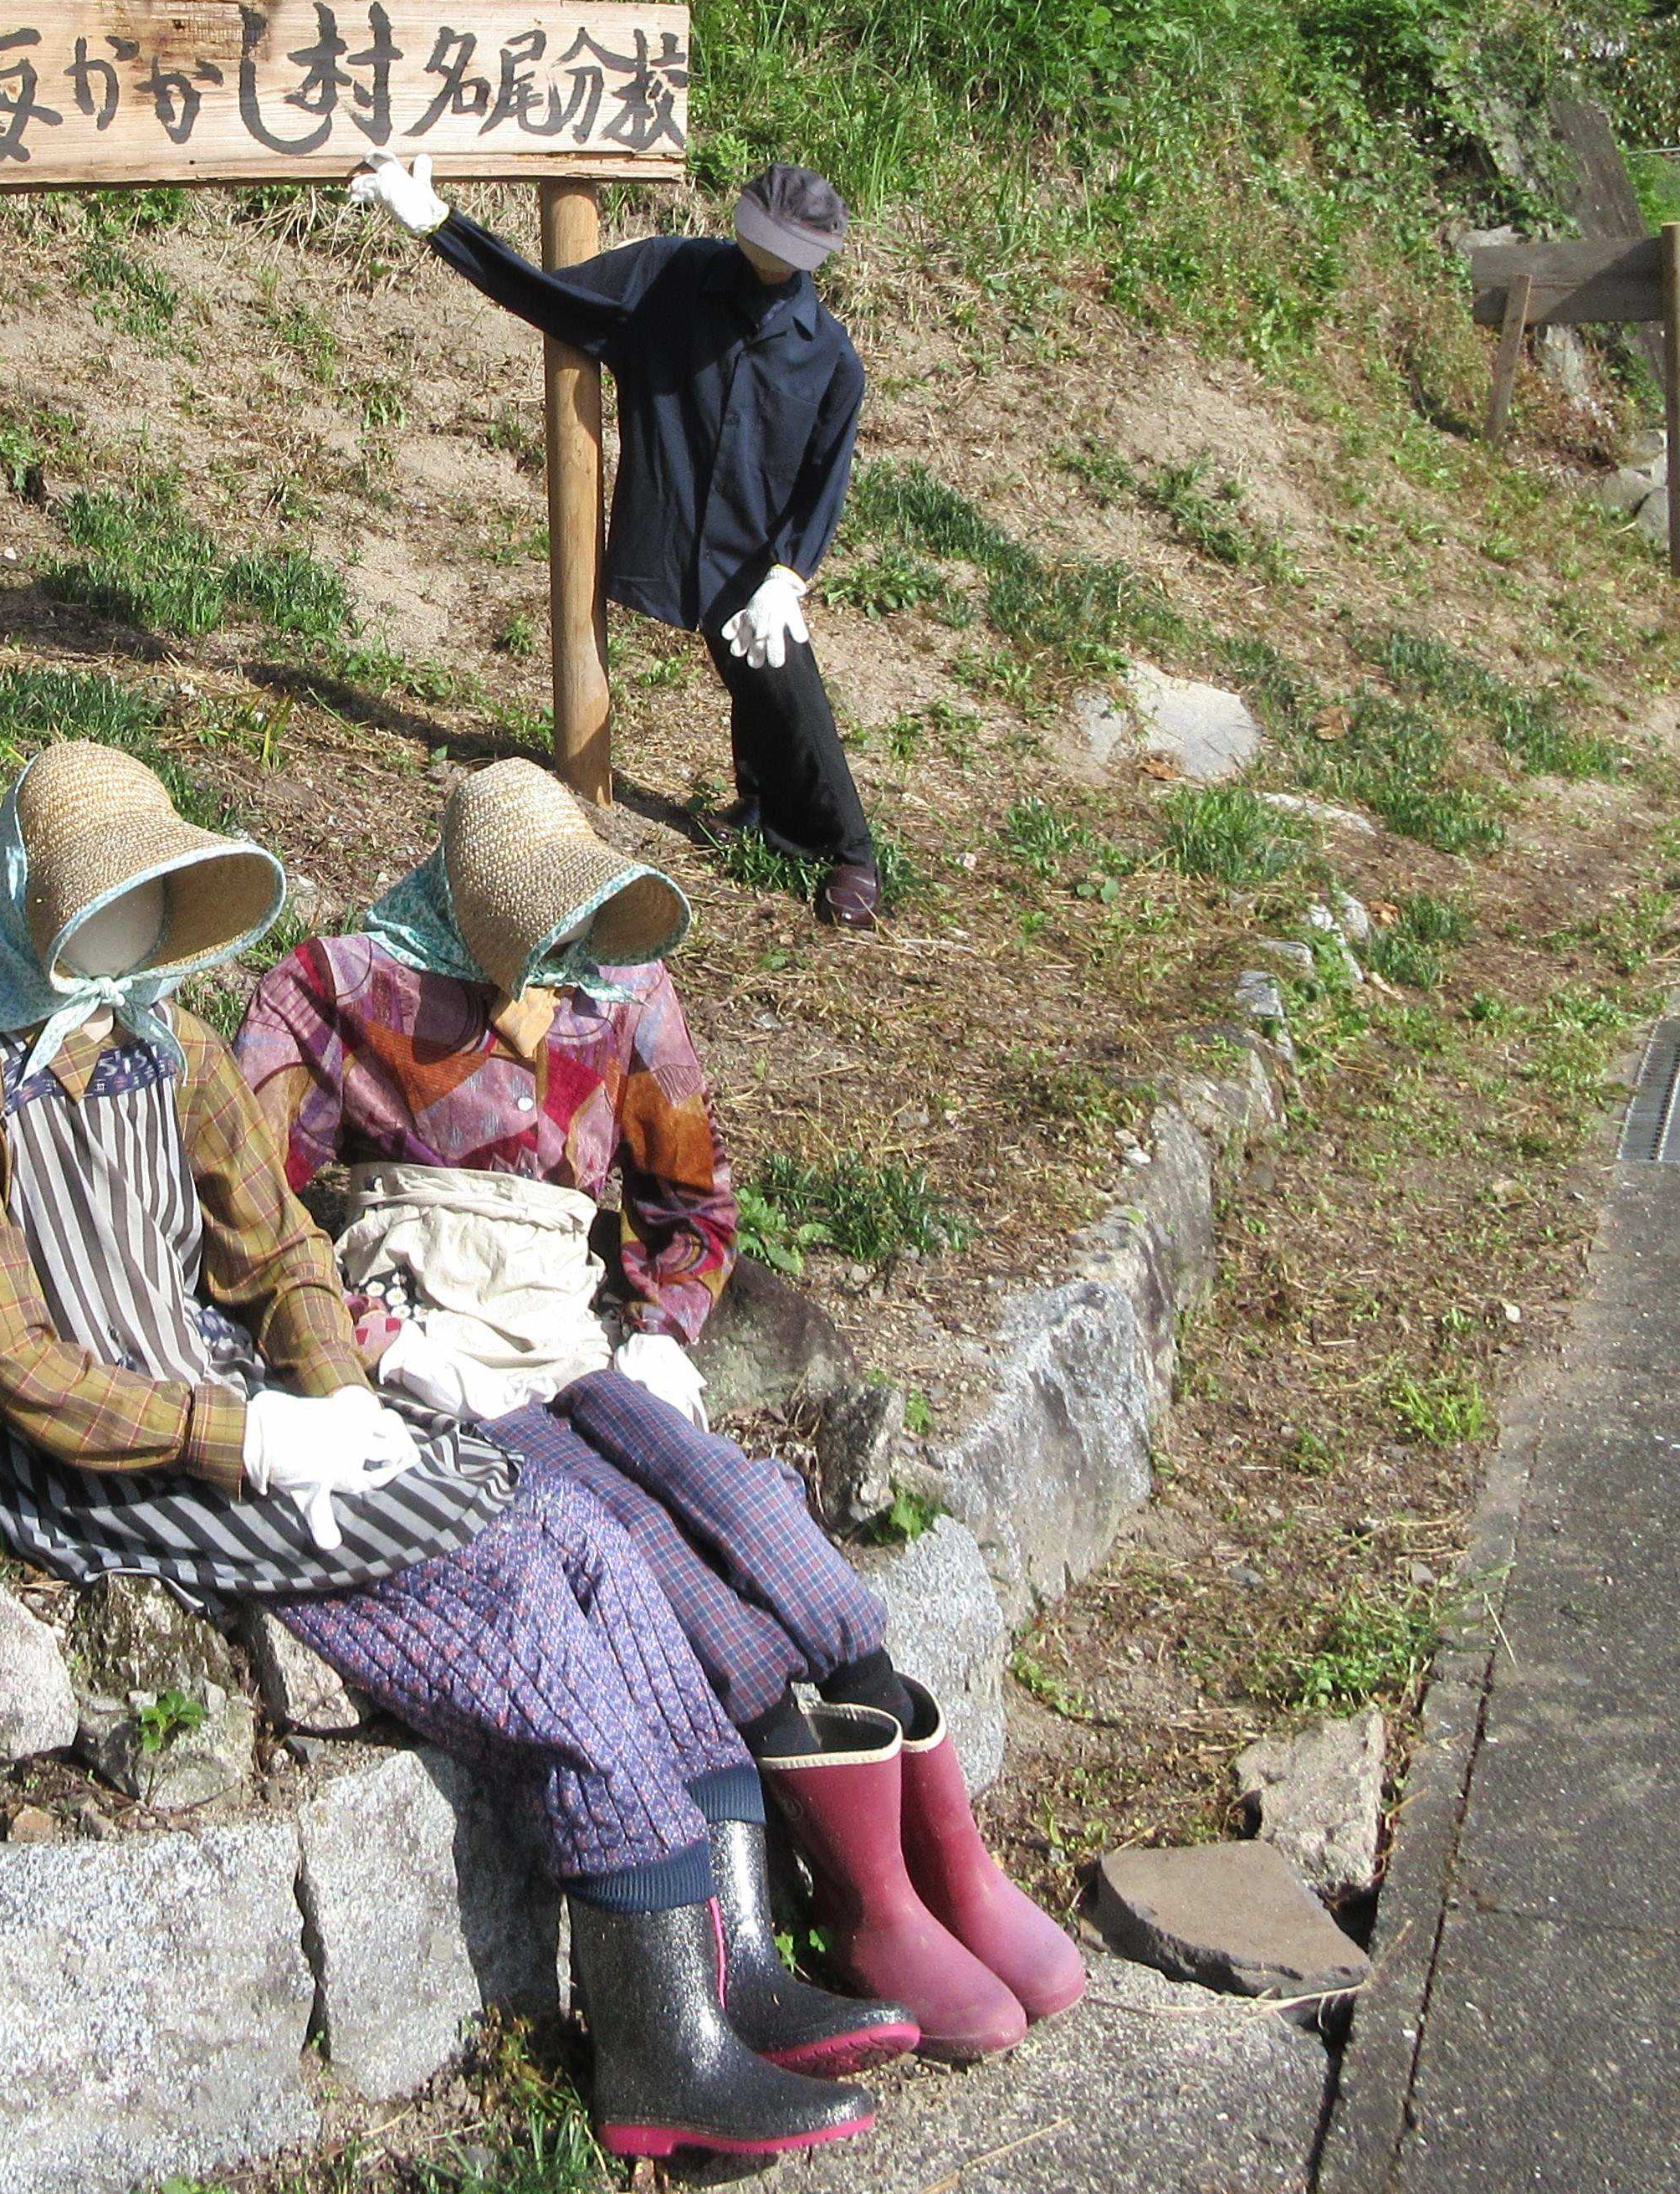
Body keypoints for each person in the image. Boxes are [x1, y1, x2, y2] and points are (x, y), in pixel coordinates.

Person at [0, 739, 899, 2156]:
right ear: (29, 907)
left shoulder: (162, 1044)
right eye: (100, 906)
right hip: (104, 1443)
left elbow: (274, 1238)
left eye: (149, 902)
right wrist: (244, 1437)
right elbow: (10, 1357)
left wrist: (330, 1384)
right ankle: (657, 2044)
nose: (130, 940)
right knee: (500, 1602)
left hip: (227, 1380)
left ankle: (728, 1962)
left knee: (576, 1532)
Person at [234, 756, 1085, 2059]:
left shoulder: (623, 989)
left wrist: (664, 1334)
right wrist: (366, 1338)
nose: (560, 961)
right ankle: (842, 1915)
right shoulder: (342, 993)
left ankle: (932, 1869)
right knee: (629, 1550)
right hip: (444, 1349)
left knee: (737, 1503)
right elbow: (246, 1207)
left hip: (578, 1332)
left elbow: (692, 1202)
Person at [351, 152, 883, 930]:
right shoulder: (673, 274)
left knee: (783, 679)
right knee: (747, 676)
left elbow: (822, 477)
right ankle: (767, 812)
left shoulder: (829, 356)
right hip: (678, 518)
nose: (771, 256)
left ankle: (850, 851)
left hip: (755, 546)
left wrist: (787, 574)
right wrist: (436, 223)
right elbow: (549, 295)